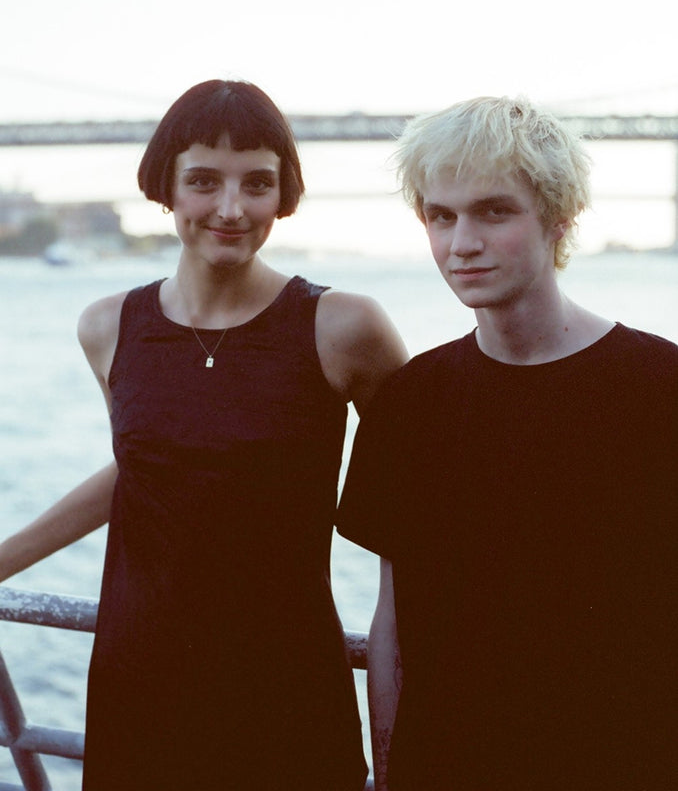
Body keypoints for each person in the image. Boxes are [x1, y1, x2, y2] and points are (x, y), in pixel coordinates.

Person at [0, 79, 408, 791]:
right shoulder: (106, 327)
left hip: (285, 687)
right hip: (138, 676)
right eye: (203, 182)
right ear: (165, 188)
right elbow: (146, 470)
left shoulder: (345, 327)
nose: (230, 208)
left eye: (257, 184)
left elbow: (424, 494)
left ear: (284, 196)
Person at [337, 95, 678, 790]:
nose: (462, 242)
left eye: (494, 211)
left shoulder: (659, 387)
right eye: (441, 216)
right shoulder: (410, 400)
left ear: (559, 218)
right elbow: (391, 626)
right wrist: (392, 771)